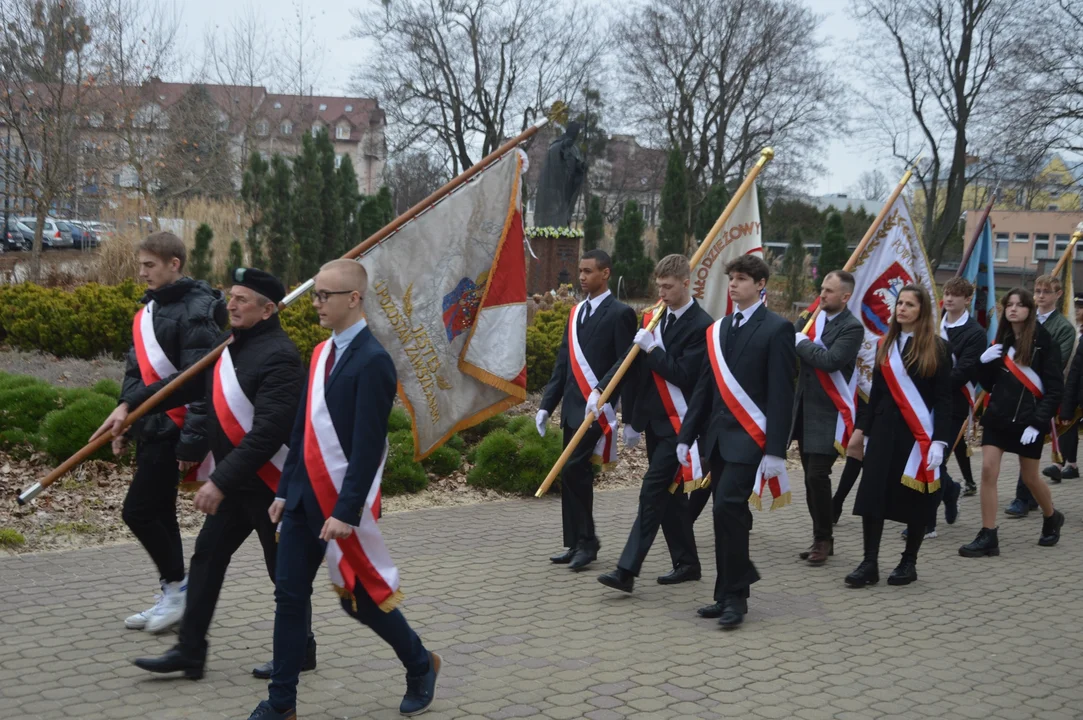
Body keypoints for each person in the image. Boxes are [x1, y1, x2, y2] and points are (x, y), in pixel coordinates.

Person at [97, 269, 316, 680]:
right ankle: (190, 651)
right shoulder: (230, 344)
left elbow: (268, 432)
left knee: (282, 575)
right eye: (230, 297)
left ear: (268, 310)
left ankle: (301, 649)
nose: (230, 305)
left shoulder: (281, 357)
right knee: (206, 560)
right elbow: (182, 384)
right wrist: (130, 406)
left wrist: (218, 480)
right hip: (237, 487)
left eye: (242, 300)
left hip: (271, 486)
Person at [248, 259, 439, 720]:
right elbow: (303, 430)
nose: (316, 303)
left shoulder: (374, 361)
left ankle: (419, 663)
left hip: (338, 506)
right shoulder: (319, 354)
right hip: (299, 501)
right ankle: (282, 703)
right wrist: (282, 490)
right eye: (315, 295)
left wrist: (348, 511)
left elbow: (368, 446)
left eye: (324, 296)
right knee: (289, 597)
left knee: (362, 603)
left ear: (353, 298)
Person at [110, 231, 226, 633]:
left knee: (137, 512)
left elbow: (205, 383)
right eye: (141, 264)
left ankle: (178, 589)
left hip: (176, 430)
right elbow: (134, 373)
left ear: (174, 264)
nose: (142, 273)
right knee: (158, 512)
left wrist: (194, 441)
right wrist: (125, 417)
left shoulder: (199, 309)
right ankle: (172, 592)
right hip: (151, 426)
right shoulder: (148, 311)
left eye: (150, 265)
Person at [676, 255, 796, 629]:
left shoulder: (777, 329)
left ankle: (737, 596)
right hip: (716, 439)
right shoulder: (719, 329)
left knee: (727, 508)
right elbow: (704, 388)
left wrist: (777, 450)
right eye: (731, 279)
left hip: (750, 438)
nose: (733, 285)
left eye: (741, 279)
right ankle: (727, 594)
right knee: (727, 516)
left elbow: (781, 394)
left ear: (760, 285)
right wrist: (687, 435)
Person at [593, 255, 711, 594]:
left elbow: (685, 376)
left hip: (683, 425)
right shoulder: (656, 317)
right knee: (670, 498)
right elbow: (628, 361)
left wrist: (654, 350)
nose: (662, 292)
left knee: (651, 491)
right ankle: (688, 563)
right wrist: (601, 389)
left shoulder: (702, 325)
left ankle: (626, 570)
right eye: (659, 285)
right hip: (656, 425)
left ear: (686, 283)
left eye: (669, 286)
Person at [844, 285, 951, 589]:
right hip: (883, 433)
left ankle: (909, 562)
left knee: (915, 498)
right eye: (899, 303)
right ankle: (869, 562)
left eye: (910, 304)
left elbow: (944, 399)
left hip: (917, 437)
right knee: (872, 495)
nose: (901, 309)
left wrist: (940, 442)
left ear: (922, 311)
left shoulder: (938, 349)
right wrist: (862, 431)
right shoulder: (885, 345)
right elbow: (875, 395)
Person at [536, 249, 637, 571]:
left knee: (572, 469)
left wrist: (603, 394)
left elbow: (625, 362)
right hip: (572, 408)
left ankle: (589, 541)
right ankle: (576, 542)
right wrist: (546, 405)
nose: (582, 277)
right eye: (580, 271)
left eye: (589, 271)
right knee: (573, 475)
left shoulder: (620, 313)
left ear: (605, 273)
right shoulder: (576, 312)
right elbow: (563, 364)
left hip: (597, 409)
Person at [959, 288, 1066, 558]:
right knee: (987, 471)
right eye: (1009, 305)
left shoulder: (1044, 342)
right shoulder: (1002, 340)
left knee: (1030, 478)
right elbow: (989, 383)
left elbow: (1054, 390)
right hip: (998, 418)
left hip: (1029, 422)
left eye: (1020, 305)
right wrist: (982, 364)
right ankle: (988, 535)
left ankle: (1051, 516)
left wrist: (1038, 423)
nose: (1013, 309)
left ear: (1029, 310)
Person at [791, 270, 864, 566]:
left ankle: (823, 538)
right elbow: (789, 345)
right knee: (811, 479)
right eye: (822, 289)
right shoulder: (810, 319)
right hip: (804, 409)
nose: (822, 295)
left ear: (845, 297)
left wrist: (800, 343)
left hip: (830, 413)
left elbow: (831, 360)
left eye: (830, 291)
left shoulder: (852, 328)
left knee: (817, 475)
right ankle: (821, 537)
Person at [918, 277, 985, 536]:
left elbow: (964, 371)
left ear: (967, 299)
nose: (949, 298)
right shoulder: (932, 324)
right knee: (923, 458)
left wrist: (931, 383)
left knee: (938, 460)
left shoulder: (974, 333)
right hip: (922, 402)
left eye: (956, 295)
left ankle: (927, 523)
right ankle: (951, 490)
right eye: (946, 293)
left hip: (953, 404)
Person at [1005, 275, 1075, 517]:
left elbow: (1058, 359)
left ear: (1058, 295)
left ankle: (1022, 498)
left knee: (1029, 447)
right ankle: (1032, 495)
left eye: (1047, 291)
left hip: (1041, 394)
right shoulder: (1025, 320)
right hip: (1015, 392)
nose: (1041, 295)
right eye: (1037, 290)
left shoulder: (1063, 328)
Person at [1043, 292, 1083, 483]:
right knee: (1067, 422)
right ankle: (1064, 464)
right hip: (1070, 384)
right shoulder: (1073, 329)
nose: (1076, 311)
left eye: (1080, 308)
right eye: (1075, 307)